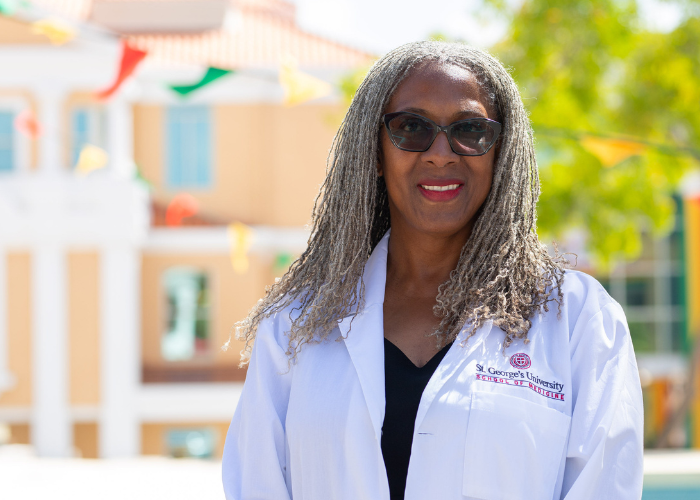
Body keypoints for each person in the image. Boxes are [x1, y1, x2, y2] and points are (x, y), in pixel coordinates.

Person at [222, 41, 643, 500]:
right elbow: (256, 484)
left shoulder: (577, 320)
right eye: (411, 128)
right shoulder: (295, 324)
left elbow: (605, 486)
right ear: (375, 153)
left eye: (471, 131)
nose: (441, 153)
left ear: (501, 155)